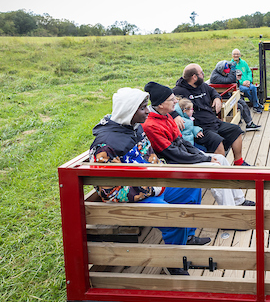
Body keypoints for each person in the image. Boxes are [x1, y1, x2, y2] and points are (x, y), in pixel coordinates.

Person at [89, 87, 209, 275]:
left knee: (191, 188)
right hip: (127, 199)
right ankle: (173, 262)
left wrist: (164, 179)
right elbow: (110, 192)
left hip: (148, 187)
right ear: (130, 111)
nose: (148, 110)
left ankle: (187, 239)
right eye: (143, 107)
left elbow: (152, 160)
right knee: (170, 215)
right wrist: (152, 189)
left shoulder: (135, 128)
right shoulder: (105, 145)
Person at [142, 81, 254, 206]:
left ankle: (239, 201)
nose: (175, 101)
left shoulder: (166, 116)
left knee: (220, 159)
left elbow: (183, 143)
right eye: (172, 99)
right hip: (171, 163)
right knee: (215, 169)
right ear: (161, 104)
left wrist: (205, 157)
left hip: (180, 157)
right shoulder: (151, 125)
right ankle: (228, 212)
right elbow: (172, 154)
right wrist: (204, 158)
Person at [172, 63, 251, 166]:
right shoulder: (178, 91)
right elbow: (168, 105)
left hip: (213, 121)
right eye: (201, 73)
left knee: (236, 130)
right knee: (218, 142)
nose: (203, 74)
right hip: (199, 128)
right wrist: (175, 116)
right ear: (194, 77)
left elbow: (213, 91)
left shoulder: (202, 85)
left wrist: (217, 98)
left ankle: (239, 162)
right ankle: (222, 172)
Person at [209, 60, 261, 131]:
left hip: (227, 96)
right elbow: (229, 80)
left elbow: (232, 81)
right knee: (239, 107)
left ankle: (249, 123)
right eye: (225, 72)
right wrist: (233, 71)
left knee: (243, 103)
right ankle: (235, 129)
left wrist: (232, 71)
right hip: (222, 98)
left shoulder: (221, 73)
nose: (227, 73)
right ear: (220, 70)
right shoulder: (215, 77)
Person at [231, 48, 262, 113]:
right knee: (246, 89)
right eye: (234, 54)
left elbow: (248, 71)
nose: (236, 55)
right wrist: (242, 82)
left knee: (253, 87)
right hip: (239, 84)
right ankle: (256, 105)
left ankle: (255, 105)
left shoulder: (244, 63)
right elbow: (233, 76)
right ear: (232, 55)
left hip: (247, 82)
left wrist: (248, 80)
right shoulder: (231, 65)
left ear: (240, 55)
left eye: (237, 54)